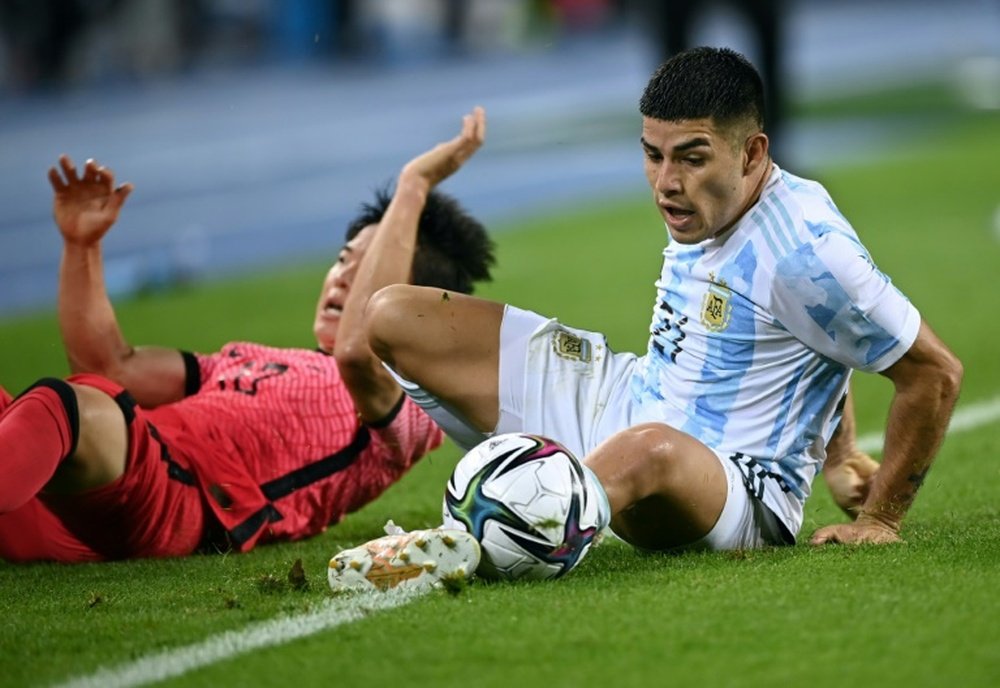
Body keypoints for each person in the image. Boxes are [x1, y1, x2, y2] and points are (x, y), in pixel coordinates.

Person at [361, 47, 963, 552]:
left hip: (730, 486)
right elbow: (824, 335)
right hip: (628, 402)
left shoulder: (805, 250)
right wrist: (841, 452)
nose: (667, 183)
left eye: (691, 157)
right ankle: (566, 488)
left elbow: (934, 373)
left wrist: (880, 518)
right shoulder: (710, 199)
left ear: (752, 153)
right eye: (653, 154)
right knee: (394, 315)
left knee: (648, 449)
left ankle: (483, 534)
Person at [0, 108, 494, 563]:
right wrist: (81, 247)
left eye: (366, 270)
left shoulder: (410, 405)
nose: (343, 276)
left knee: (62, 406)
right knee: (63, 406)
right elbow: (111, 368)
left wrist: (413, 185)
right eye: (344, 258)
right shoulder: (254, 359)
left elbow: (358, 352)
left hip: (184, 495)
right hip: (83, 504)